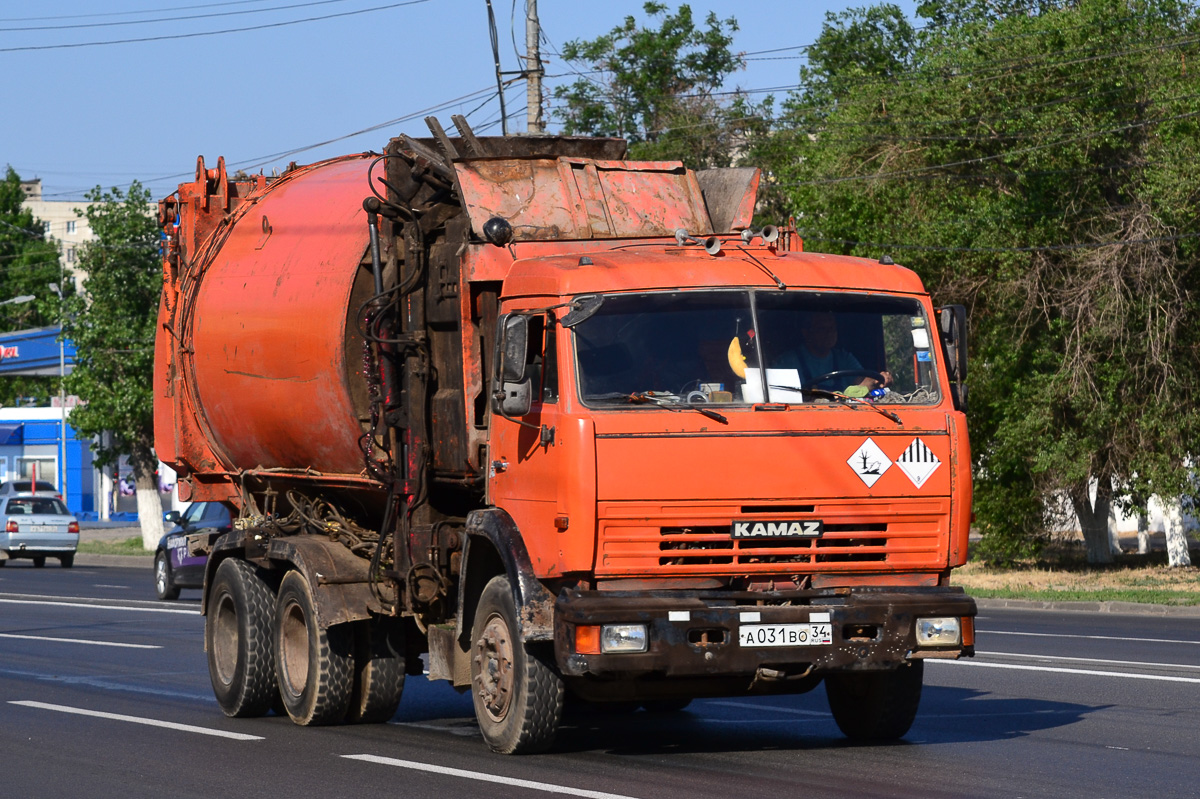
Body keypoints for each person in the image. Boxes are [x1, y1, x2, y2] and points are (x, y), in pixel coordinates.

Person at [780, 311, 891, 391]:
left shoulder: (844, 358)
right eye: (822, 329)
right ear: (806, 333)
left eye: (832, 328)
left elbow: (861, 382)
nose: (829, 333)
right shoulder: (787, 362)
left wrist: (877, 379)